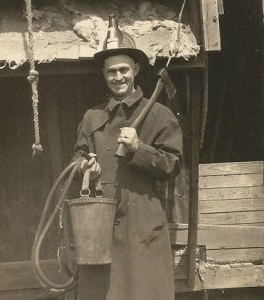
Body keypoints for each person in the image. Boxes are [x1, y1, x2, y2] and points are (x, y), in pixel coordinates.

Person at [73, 15, 182, 300]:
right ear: (104, 75)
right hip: (100, 226)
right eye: (111, 72)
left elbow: (172, 166)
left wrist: (139, 148)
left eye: (124, 70)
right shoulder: (92, 116)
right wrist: (85, 167)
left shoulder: (160, 115)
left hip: (142, 224)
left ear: (136, 69)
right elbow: (77, 158)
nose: (118, 77)